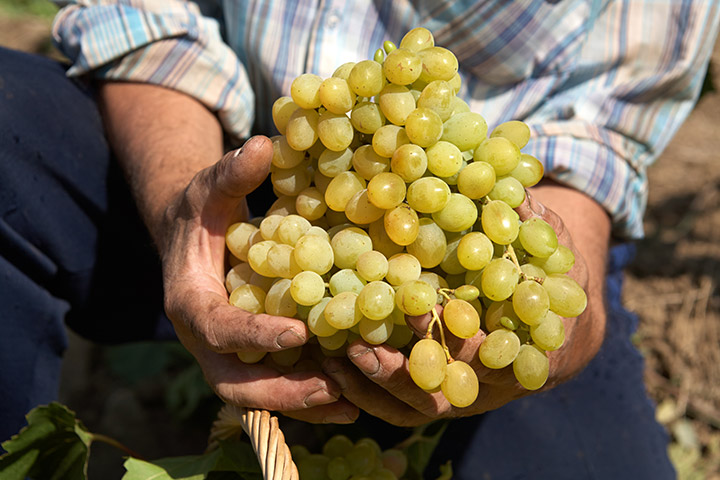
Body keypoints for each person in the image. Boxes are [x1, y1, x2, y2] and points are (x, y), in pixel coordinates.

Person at [1, 0, 718, 477]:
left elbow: (596, 138)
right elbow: (145, 15)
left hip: (462, 257)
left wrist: (563, 330)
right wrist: (181, 204)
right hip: (211, 157)